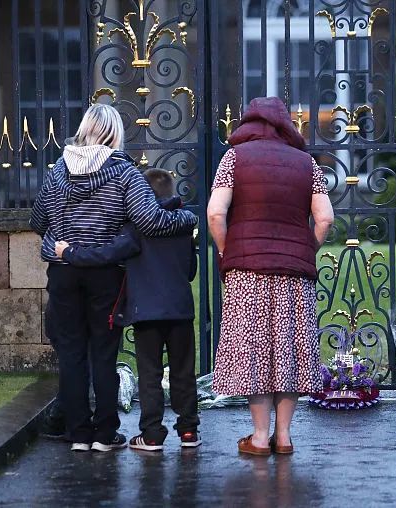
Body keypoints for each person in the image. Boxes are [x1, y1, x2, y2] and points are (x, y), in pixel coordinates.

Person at [30, 104, 198, 452]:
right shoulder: (124, 173)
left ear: (86, 129)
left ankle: (78, 433)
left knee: (72, 353)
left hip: (63, 271)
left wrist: (64, 238)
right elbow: (151, 221)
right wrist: (187, 219)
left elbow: (37, 220)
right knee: (104, 353)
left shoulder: (58, 170)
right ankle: (105, 433)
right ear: (114, 134)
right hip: (105, 274)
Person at [206, 96, 334, 456]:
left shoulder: (234, 158)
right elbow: (325, 218)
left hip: (248, 271)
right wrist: (306, 247)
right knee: (289, 349)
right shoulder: (307, 164)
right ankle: (285, 436)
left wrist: (224, 250)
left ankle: (259, 438)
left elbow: (216, 213)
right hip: (295, 272)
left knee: (256, 351)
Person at [54, 168, 201, 452]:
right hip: (181, 310)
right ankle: (188, 430)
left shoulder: (136, 228)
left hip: (146, 311)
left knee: (150, 373)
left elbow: (107, 253)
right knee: (184, 371)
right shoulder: (183, 225)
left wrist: (70, 253)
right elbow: (192, 271)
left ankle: (152, 433)